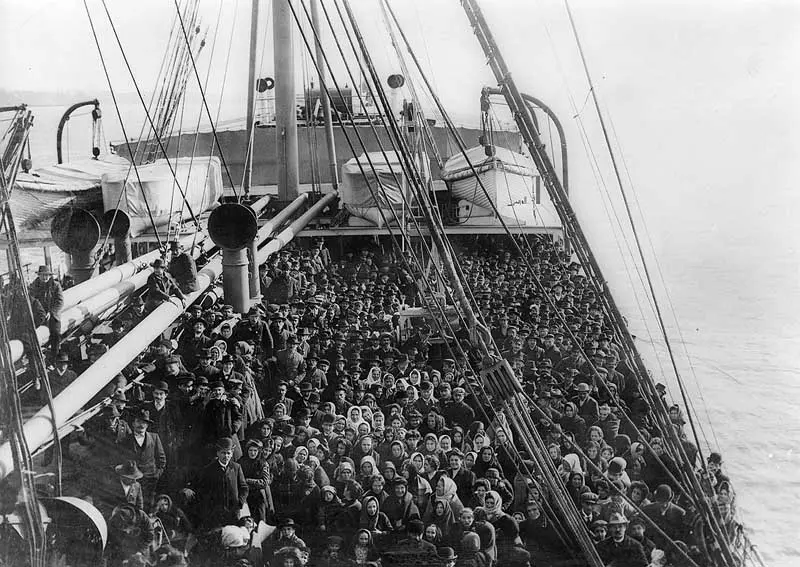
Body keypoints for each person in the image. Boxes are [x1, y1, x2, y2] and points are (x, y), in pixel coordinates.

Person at [192, 437, 249, 528]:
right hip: (216, 513)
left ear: (232, 454)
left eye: (228, 453)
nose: (226, 456)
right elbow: (203, 491)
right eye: (223, 453)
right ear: (218, 453)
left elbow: (244, 487)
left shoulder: (236, 467)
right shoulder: (209, 469)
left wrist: (240, 502)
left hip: (233, 511)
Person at [28, 264, 63, 355]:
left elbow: (60, 302)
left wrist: (51, 312)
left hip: (52, 315)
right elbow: (31, 301)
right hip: (39, 315)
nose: (45, 277)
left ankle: (55, 355)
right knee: (31, 334)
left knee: (55, 332)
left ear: (50, 276)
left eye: (47, 275)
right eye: (43, 275)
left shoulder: (56, 285)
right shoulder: (34, 286)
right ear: (39, 275)